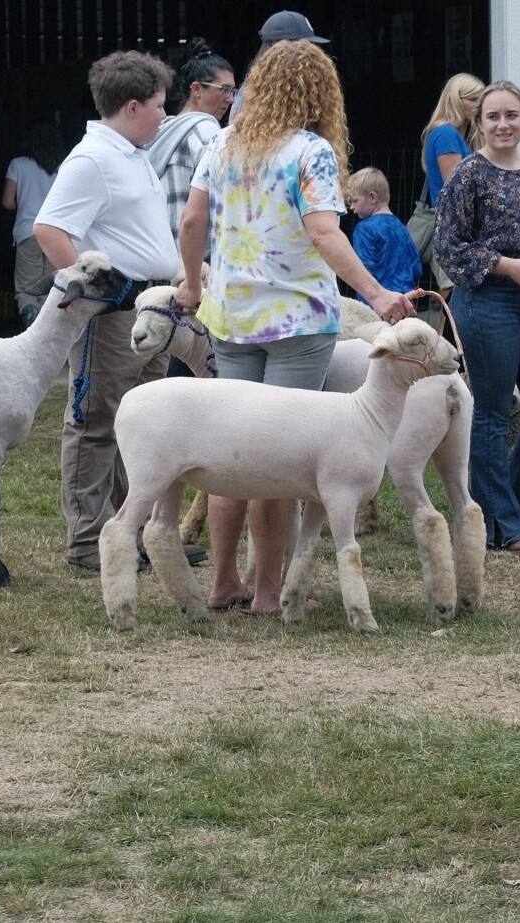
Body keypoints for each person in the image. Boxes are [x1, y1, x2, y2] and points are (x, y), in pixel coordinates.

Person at [172, 39, 416, 614]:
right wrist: (378, 293)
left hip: (231, 319)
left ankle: (223, 581)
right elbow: (326, 232)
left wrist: (192, 284)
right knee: (275, 459)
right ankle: (266, 594)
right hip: (298, 321)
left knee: (230, 451)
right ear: (319, 92)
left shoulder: (225, 144)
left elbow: (191, 218)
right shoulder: (313, 153)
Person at [34, 51, 203, 574]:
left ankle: (131, 533)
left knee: (142, 424)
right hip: (114, 315)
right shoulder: (92, 159)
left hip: (149, 309)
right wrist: (96, 294)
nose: (164, 114)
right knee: (97, 422)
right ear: (131, 106)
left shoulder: (129, 152)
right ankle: (89, 541)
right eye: (158, 104)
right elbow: (49, 229)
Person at [435, 81, 520, 556]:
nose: (503, 125)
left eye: (511, 115)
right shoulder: (468, 176)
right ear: (480, 122)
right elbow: (448, 247)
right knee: (492, 416)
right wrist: (504, 265)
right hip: (487, 299)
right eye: (493, 116)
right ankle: (501, 526)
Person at [147, 39, 233, 239]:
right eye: (224, 90)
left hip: (164, 249)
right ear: (196, 90)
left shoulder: (162, 128)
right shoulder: (207, 131)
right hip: (196, 257)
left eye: (233, 92)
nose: (230, 99)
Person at [414, 73, 485, 297]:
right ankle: (444, 331)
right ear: (455, 100)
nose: (478, 105)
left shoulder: (459, 135)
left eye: (480, 100)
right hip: (450, 223)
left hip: (452, 222)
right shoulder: (446, 133)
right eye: (472, 99)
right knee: (454, 289)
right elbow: (457, 188)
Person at [2, 121, 67, 326]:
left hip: (28, 232)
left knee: (27, 288)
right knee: (49, 288)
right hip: (56, 234)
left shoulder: (18, 165)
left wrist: (26, 202)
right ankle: (45, 329)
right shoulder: (65, 166)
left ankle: (31, 319)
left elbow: (7, 202)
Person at [228, 10, 327, 123]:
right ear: (282, 51)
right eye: (303, 49)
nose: (312, 56)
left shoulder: (305, 86)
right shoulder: (251, 91)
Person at [347, 166, 422, 294]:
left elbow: (364, 272)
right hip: (406, 300)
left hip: (377, 304)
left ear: (372, 197)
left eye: (354, 201)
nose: (351, 207)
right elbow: (417, 268)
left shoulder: (364, 229)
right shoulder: (401, 227)